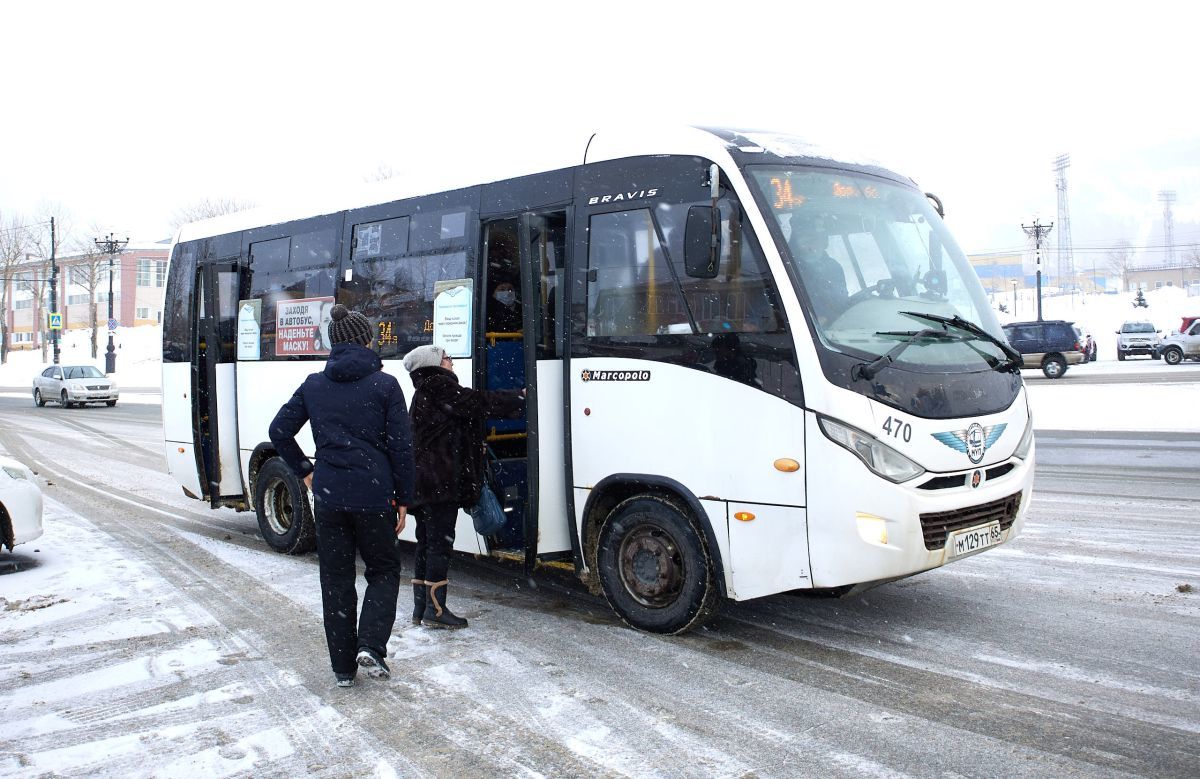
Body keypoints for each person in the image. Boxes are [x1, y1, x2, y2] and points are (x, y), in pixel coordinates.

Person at [268, 304, 414, 688]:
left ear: (334, 344)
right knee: (383, 570)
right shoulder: (385, 385)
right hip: (374, 496)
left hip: (330, 497)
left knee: (335, 579)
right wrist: (403, 498)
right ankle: (370, 645)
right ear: (367, 340)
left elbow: (279, 430)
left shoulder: (314, 384)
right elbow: (401, 448)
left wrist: (307, 472)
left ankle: (342, 669)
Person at [402, 344, 525, 629]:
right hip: (438, 484)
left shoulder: (425, 390)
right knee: (438, 545)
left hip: (426, 483)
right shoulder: (439, 387)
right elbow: (480, 402)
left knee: (427, 543)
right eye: (446, 357)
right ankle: (435, 610)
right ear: (433, 364)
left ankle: (422, 608)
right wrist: (519, 397)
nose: (451, 361)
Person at [789, 213, 848, 325]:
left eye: (813, 237)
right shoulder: (787, 266)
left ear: (824, 240)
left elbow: (841, 300)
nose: (809, 242)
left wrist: (828, 317)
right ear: (795, 241)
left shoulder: (834, 267)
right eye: (803, 237)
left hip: (835, 325)